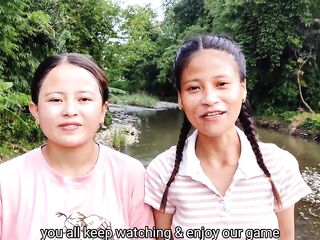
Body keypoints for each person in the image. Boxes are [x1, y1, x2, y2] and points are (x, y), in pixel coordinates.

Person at [144, 34, 311, 239]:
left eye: (222, 84)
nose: (209, 99)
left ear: (242, 89)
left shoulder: (278, 165)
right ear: (180, 98)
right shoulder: (163, 172)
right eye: (194, 88)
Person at [0, 53, 154, 239]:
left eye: (84, 99)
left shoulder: (129, 174)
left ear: (103, 111)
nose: (70, 111)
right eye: (56, 99)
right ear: (36, 111)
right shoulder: (7, 182)